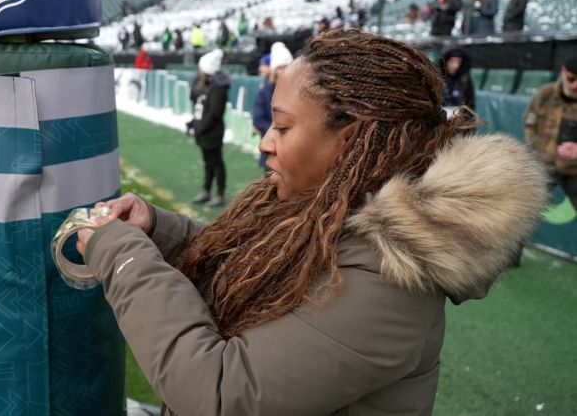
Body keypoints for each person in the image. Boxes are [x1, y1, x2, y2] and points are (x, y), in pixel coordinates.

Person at [73, 29, 548, 416]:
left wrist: (124, 255)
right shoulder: (321, 206)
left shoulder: (392, 279)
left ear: (353, 140)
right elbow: (254, 265)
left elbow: (218, 393)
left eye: (281, 127)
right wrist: (158, 229)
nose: (264, 142)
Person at [524, 56, 577, 209]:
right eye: (571, 79)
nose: (575, 85)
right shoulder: (544, 94)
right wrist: (544, 148)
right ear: (563, 71)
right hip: (544, 164)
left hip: (574, 168)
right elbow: (529, 124)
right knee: (523, 210)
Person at [188, 49, 230, 207]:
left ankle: (220, 193)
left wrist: (199, 127)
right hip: (203, 132)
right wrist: (193, 123)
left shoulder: (218, 88)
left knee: (217, 163)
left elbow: (214, 113)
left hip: (212, 133)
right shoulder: (203, 85)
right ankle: (206, 190)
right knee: (208, 163)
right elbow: (199, 106)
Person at [252, 42, 292, 170]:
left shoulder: (299, 90)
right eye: (280, 67)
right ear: (274, 70)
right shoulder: (265, 90)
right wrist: (278, 131)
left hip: (293, 148)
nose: (284, 71)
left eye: (287, 66)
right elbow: (258, 118)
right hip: (272, 147)